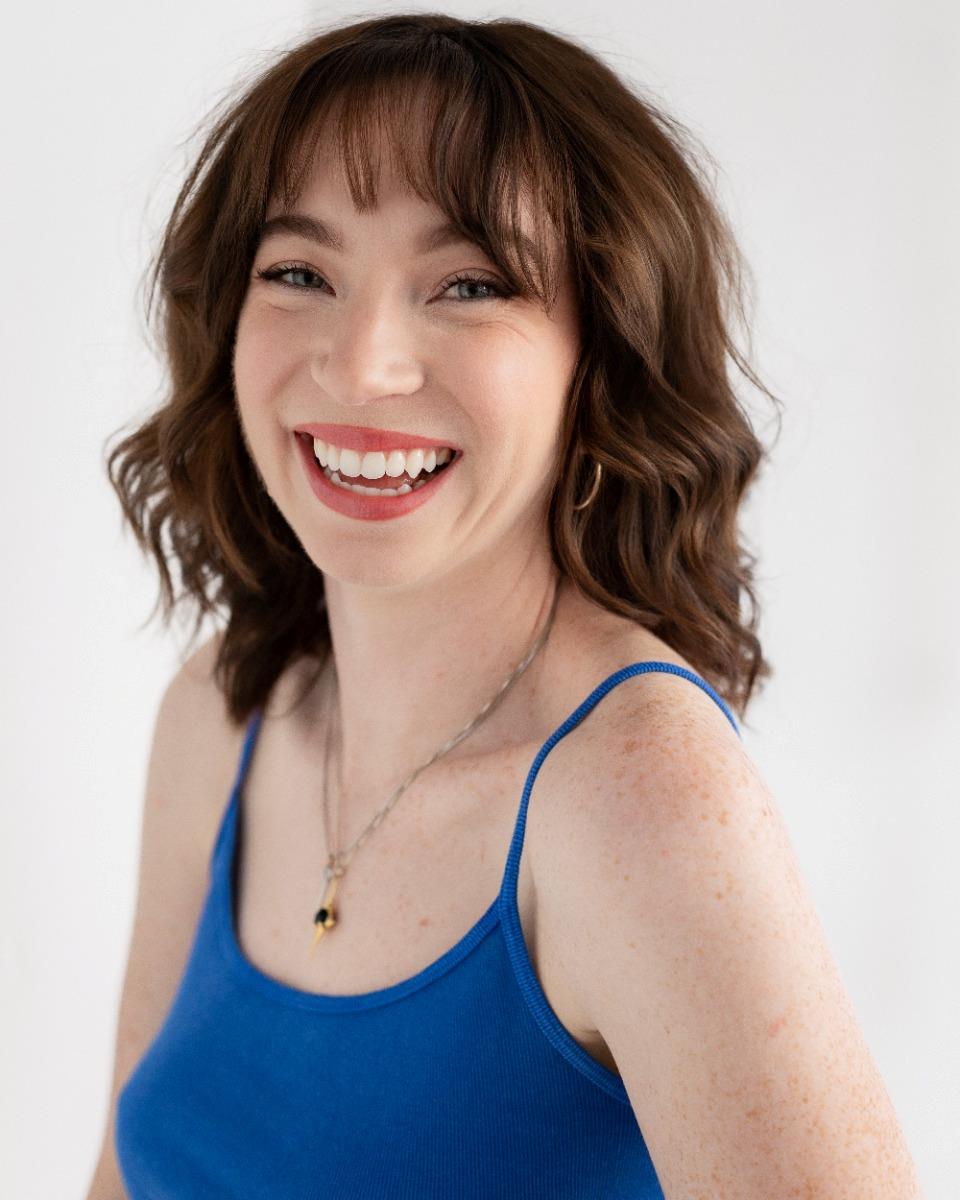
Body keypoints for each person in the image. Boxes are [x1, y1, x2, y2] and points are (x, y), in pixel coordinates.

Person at [84, 12, 923, 1199]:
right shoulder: (223, 712)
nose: (363, 364)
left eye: (469, 285)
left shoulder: (640, 795)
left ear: (600, 358)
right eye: (299, 273)